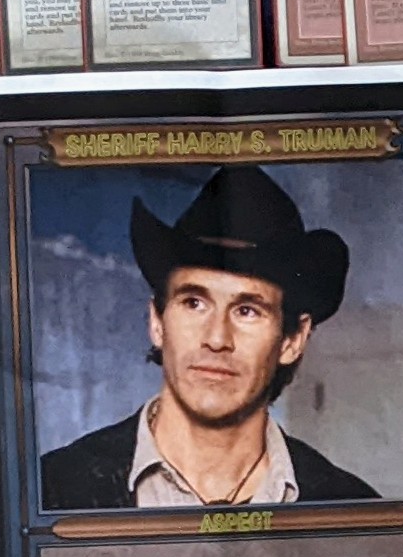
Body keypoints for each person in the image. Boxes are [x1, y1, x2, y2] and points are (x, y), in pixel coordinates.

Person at [40, 165, 377, 510]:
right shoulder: (52, 489)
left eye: (247, 310)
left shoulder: (352, 506)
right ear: (157, 322)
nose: (217, 339)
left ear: (292, 340)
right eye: (194, 303)